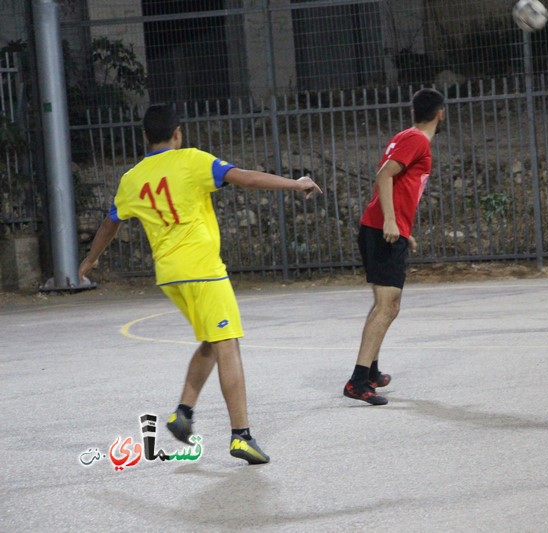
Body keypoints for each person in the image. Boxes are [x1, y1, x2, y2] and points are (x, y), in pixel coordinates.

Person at [79, 104, 322, 463]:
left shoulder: (132, 178)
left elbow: (110, 223)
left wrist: (91, 259)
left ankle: (183, 413)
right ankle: (241, 435)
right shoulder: (192, 160)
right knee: (228, 344)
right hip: (203, 269)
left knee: (212, 338)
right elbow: (247, 178)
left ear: (146, 137)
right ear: (177, 134)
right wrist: (294, 183)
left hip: (170, 274)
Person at [343, 88, 446, 405]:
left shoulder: (408, 136)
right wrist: (390, 220)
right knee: (388, 306)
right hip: (381, 229)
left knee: (384, 304)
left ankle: (370, 372)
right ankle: (358, 382)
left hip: (385, 229)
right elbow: (384, 175)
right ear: (441, 113)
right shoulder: (416, 140)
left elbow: (400, 186)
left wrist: (401, 227)